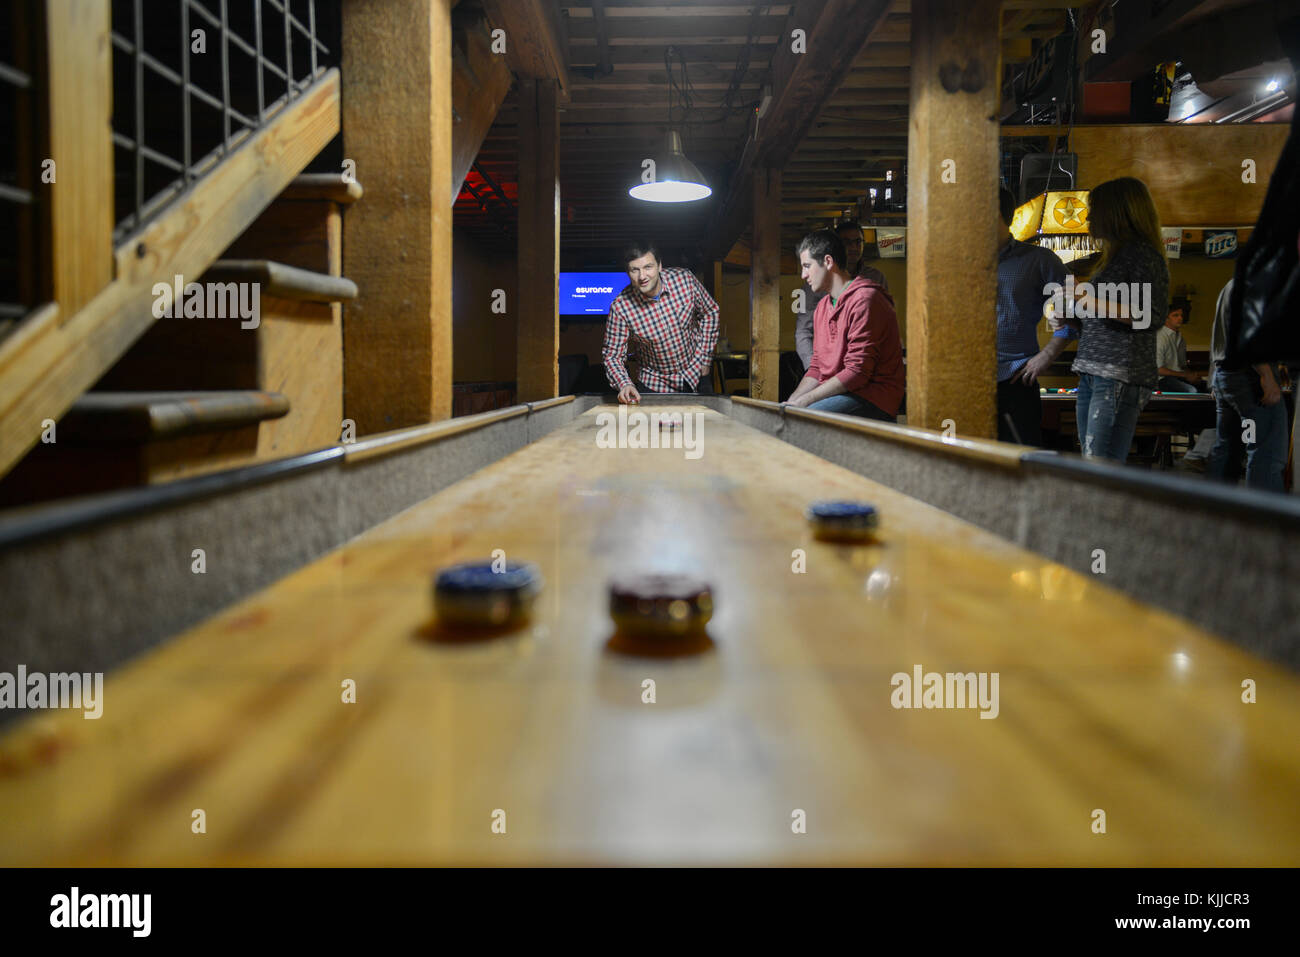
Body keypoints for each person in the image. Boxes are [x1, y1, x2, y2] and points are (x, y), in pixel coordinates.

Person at [1060, 177, 1169, 462]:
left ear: (1116, 213)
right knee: (1094, 465)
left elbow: (1149, 315)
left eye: (1094, 208)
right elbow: (1107, 318)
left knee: (1101, 467)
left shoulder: (1143, 255)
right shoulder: (1113, 258)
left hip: (1118, 374)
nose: (1088, 216)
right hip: (1093, 372)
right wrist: (1071, 318)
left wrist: (1084, 299)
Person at [784, 229, 904, 420]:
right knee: (788, 414)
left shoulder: (866, 299)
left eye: (807, 266)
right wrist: (791, 402)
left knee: (804, 419)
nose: (803, 275)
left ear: (828, 262)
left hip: (872, 396)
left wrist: (805, 401)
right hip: (843, 391)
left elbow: (857, 372)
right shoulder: (823, 306)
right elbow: (816, 367)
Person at [995, 186, 1074, 445]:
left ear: (1003, 217)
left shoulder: (1039, 260)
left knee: (1021, 466)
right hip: (965, 381)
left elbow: (1077, 311)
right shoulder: (957, 262)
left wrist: (1048, 355)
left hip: (1016, 381)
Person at [602, 242, 719, 405]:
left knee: (702, 428)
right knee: (652, 431)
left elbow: (710, 311)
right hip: (654, 383)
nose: (642, 276)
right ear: (628, 273)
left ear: (660, 266)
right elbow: (612, 356)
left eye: (648, 267)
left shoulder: (684, 280)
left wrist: (705, 357)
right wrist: (625, 383)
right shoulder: (620, 307)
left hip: (696, 373)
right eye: (635, 270)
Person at [1205, 278, 1288, 490]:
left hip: (1226, 378)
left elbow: (1219, 333)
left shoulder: (1232, 284)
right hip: (1250, 379)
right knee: (1265, 451)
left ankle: (1216, 511)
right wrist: (1267, 375)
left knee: (1227, 450)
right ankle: (1262, 519)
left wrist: (1215, 378)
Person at [795, 220, 890, 371]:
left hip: (866, 368)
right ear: (836, 248)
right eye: (847, 242)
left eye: (858, 241)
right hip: (830, 369)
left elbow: (884, 329)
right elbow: (803, 331)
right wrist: (813, 370)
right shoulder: (816, 292)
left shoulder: (874, 283)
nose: (853, 247)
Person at [1156, 298, 1203, 393]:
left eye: (1181, 315)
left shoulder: (1181, 339)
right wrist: (1185, 375)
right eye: (1175, 315)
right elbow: (1158, 369)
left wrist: (1192, 376)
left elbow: (1182, 366)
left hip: (1177, 377)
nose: (1180, 318)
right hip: (1161, 380)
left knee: (1207, 387)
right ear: (1166, 318)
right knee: (1192, 391)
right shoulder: (1160, 337)